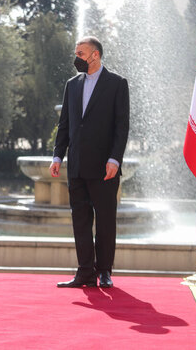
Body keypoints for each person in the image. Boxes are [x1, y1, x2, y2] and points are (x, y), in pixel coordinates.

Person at [50, 37, 129, 288]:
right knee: (80, 219)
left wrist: (115, 159)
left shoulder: (117, 84)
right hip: (77, 165)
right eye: (76, 52)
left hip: (105, 167)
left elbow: (121, 126)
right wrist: (57, 156)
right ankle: (85, 272)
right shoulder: (72, 85)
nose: (77, 58)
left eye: (80, 53)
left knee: (105, 220)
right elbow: (65, 124)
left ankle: (104, 271)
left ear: (95, 55)